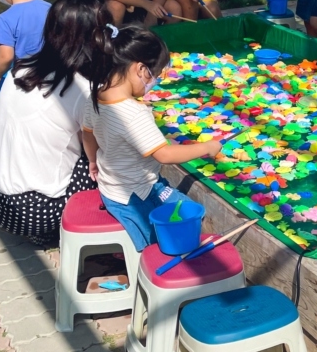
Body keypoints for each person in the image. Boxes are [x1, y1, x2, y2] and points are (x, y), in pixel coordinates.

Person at [0, 0, 111, 245]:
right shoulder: (81, 87)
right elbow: (101, 142)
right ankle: (62, 230)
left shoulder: (22, 69)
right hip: (31, 210)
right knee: (104, 160)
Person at [82, 26, 222, 251]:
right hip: (137, 195)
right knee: (189, 215)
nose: (153, 82)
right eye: (154, 76)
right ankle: (154, 255)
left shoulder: (95, 96)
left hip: (110, 188)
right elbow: (165, 155)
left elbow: (87, 135)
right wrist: (207, 146)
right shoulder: (133, 113)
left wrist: (92, 161)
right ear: (140, 69)